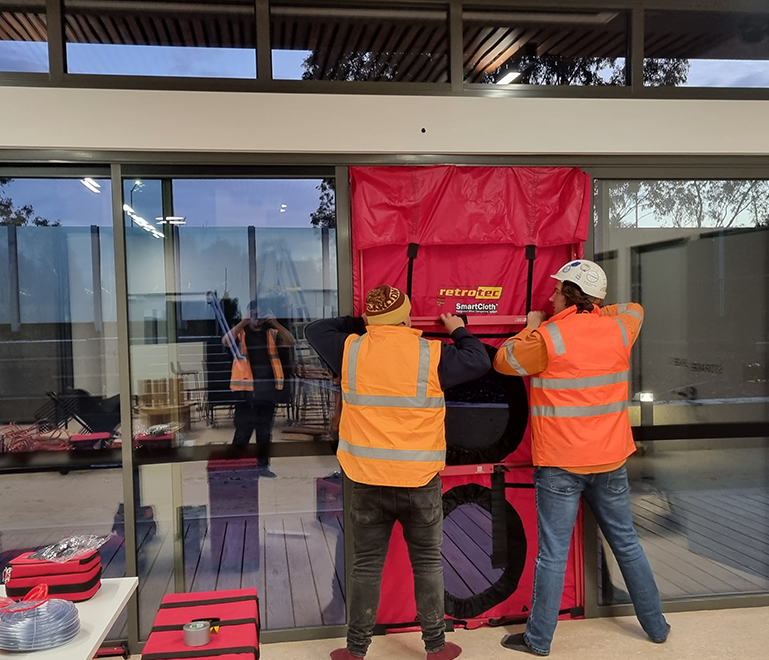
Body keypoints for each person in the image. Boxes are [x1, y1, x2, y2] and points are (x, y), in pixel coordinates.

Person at [493, 259, 669, 656]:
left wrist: (534, 323)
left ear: (568, 294)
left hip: (560, 464)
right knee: (626, 543)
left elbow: (503, 360)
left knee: (552, 554)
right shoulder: (619, 328)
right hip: (610, 461)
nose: (551, 296)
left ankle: (538, 641)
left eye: (557, 291)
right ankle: (656, 628)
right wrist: (590, 309)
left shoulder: (547, 338)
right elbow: (632, 309)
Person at [305, 285, 491, 660]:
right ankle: (436, 646)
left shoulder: (350, 349)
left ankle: (356, 650)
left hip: (366, 480)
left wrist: (363, 321)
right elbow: (479, 359)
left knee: (365, 564)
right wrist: (456, 327)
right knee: (426, 563)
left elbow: (315, 330)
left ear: (372, 320)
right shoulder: (431, 354)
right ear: (407, 318)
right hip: (419, 481)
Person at [223, 300, 295, 478]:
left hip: (267, 392)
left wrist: (275, 322)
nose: (257, 318)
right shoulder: (241, 333)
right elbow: (226, 341)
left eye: (260, 314)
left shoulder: (272, 333)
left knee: (264, 432)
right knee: (242, 431)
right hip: (245, 392)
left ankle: (262, 467)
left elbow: (290, 341)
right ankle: (235, 467)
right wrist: (243, 322)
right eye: (253, 313)